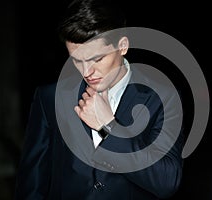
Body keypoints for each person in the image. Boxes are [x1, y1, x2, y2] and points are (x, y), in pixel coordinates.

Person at [14, 0, 185, 199]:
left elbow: (166, 182)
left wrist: (108, 127)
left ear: (122, 46)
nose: (87, 72)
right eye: (77, 60)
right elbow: (31, 184)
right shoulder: (50, 98)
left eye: (97, 59)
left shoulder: (163, 98)